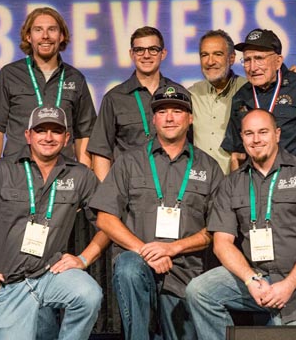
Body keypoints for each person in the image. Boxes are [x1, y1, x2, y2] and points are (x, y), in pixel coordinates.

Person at [0, 105, 108, 339]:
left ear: (66, 138)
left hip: (49, 274)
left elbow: (109, 222)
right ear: (28, 135)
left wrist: (84, 258)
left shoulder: (81, 175)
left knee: (89, 294)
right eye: (40, 130)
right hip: (9, 285)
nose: (48, 137)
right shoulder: (1, 170)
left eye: (56, 131)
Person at [186, 109, 296, 339]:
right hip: (256, 278)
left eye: (263, 132)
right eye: (249, 133)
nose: (256, 139)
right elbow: (222, 243)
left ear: (277, 134)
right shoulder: (232, 184)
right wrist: (250, 279)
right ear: (242, 138)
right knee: (199, 291)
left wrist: (288, 284)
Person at [90, 85, 223, 339]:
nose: (170, 118)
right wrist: (146, 250)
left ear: (190, 118)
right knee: (128, 266)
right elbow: (105, 217)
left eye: (177, 111)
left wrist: (172, 248)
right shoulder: (130, 162)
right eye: (162, 112)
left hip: (186, 272)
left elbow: (216, 231)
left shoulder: (209, 167)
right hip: (140, 266)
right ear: (154, 119)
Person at [0, 7, 96, 167]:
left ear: (62, 36)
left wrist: (85, 179)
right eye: (38, 30)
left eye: (52, 29)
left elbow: (84, 134)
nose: (45, 36)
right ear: (28, 36)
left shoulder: (75, 78)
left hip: (63, 176)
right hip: (17, 173)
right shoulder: (9, 74)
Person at [221, 29, 296, 172]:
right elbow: (237, 154)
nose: (253, 67)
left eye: (259, 58)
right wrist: (238, 191)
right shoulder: (240, 97)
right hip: (256, 186)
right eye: (247, 60)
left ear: (278, 61)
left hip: (295, 183)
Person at [88, 26, 181, 181]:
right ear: (132, 54)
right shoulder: (114, 98)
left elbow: (191, 145)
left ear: (163, 53)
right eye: (139, 50)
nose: (146, 55)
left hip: (173, 184)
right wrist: (106, 198)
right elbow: (101, 152)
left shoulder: (179, 95)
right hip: (129, 187)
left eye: (153, 49)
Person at [188, 29, 247, 174]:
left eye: (218, 54)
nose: (210, 61)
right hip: (200, 184)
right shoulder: (191, 94)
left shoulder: (248, 90)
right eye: (204, 55)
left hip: (239, 182)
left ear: (232, 58)